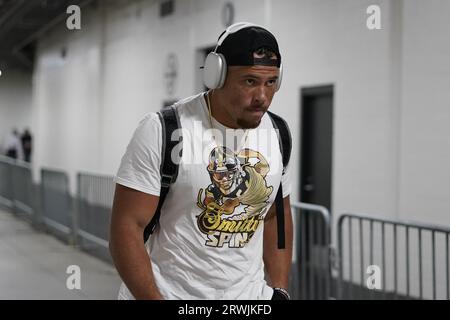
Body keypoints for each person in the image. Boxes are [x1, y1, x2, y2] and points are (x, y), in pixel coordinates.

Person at [109, 22, 293, 300]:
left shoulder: (277, 134)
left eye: (271, 83)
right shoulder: (165, 131)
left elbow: (276, 216)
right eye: (250, 82)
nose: (262, 97)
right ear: (216, 76)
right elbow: (126, 229)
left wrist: (279, 289)